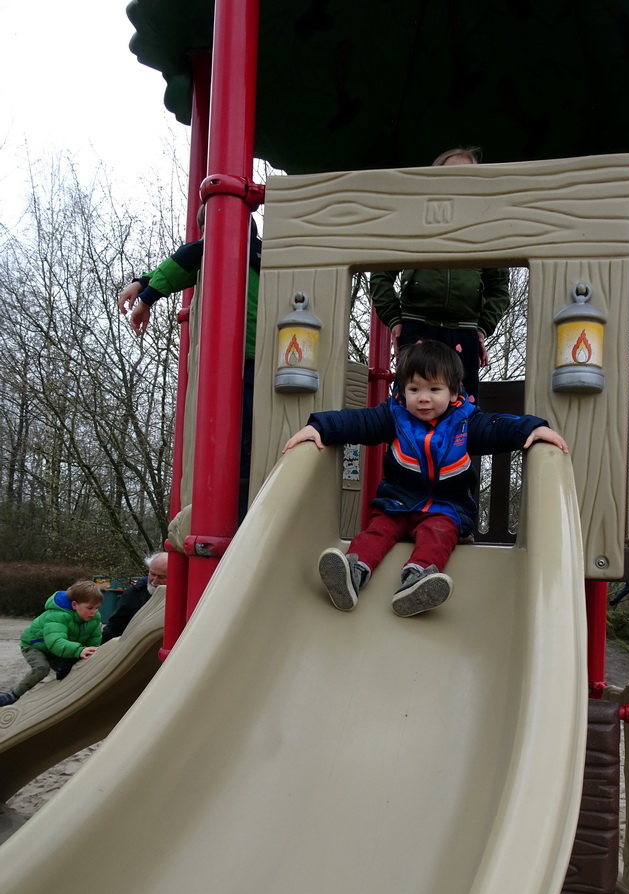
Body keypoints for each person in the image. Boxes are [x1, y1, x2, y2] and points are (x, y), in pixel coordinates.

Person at [282, 341, 568, 616]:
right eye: (414, 389)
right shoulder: (394, 416)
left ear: (454, 391)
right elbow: (357, 422)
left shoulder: (467, 422)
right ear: (402, 391)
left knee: (438, 534)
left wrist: (533, 429)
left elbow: (498, 428)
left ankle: (418, 580)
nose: (423, 398)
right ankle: (351, 573)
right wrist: (319, 428)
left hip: (446, 507)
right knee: (376, 531)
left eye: (434, 389)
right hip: (397, 501)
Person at [118, 205, 261, 485]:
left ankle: (240, 481)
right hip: (263, 352)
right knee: (247, 420)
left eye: (207, 230)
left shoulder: (218, 248)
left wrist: (146, 298)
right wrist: (142, 281)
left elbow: (184, 259)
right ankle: (243, 474)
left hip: (236, 351)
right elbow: (181, 263)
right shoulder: (259, 252)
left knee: (236, 423)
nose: (205, 238)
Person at [369, 147, 510, 406]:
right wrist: (394, 318)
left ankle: (460, 447)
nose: (457, 183)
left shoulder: (485, 229)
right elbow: (380, 274)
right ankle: (405, 447)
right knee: (411, 400)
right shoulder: (415, 223)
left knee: (461, 405)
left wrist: (483, 327)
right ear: (434, 179)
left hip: (464, 329)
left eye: (467, 177)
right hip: (417, 324)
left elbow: (499, 287)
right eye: (449, 175)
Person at [0, 580, 103, 707]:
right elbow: (55, 642)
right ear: (75, 605)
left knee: (70, 669)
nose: (94, 612)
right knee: (41, 669)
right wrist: (78, 650)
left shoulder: (93, 618)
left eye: (97, 607)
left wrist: (91, 651)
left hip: (58, 648)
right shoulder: (56, 616)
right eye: (90, 608)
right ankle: (13, 695)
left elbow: (94, 639)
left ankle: (67, 698)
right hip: (34, 645)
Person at [101, 552, 168, 642]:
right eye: (152, 574)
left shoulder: (184, 598)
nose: (154, 581)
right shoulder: (133, 593)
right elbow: (115, 627)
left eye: (161, 577)